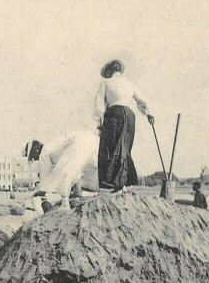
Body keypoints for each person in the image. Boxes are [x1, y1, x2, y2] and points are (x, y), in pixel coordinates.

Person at [95, 60, 154, 192]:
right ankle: (122, 183)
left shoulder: (106, 82)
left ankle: (115, 183)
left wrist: (99, 123)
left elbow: (99, 104)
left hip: (114, 115)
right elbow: (142, 100)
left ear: (110, 71)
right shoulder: (130, 84)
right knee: (124, 148)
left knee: (111, 147)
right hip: (129, 116)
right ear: (120, 70)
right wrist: (149, 114)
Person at [27, 130, 99, 210]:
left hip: (78, 143)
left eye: (33, 156)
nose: (35, 159)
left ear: (36, 151)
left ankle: (65, 203)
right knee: (82, 168)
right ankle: (78, 193)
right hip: (91, 138)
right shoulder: (52, 145)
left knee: (63, 171)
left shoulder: (44, 152)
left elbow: (45, 175)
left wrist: (40, 192)